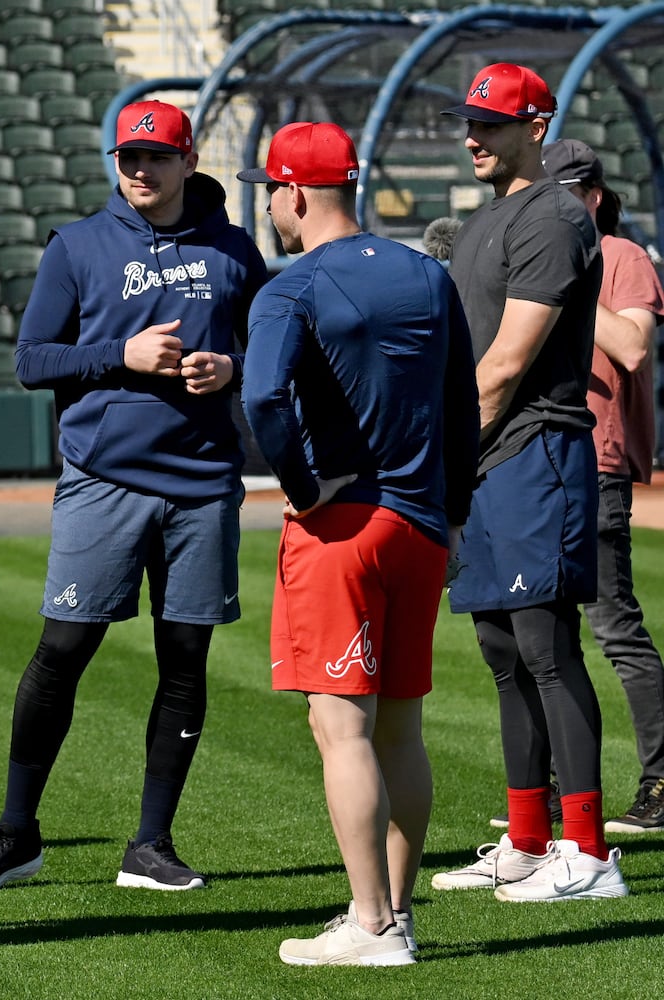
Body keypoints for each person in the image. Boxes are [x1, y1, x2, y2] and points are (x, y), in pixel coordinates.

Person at [0, 99, 269, 893]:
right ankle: (16, 833)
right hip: (105, 478)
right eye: (129, 157)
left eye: (157, 157)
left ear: (191, 162)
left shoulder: (233, 251)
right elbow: (32, 360)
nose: (141, 170)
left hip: (202, 486)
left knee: (184, 659)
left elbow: (268, 352)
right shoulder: (79, 246)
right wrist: (119, 356)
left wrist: (230, 367)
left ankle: (151, 845)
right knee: (63, 650)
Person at [238, 122, 479, 965]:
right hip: (422, 526)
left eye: (271, 189)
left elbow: (263, 403)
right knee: (401, 732)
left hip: (341, 528)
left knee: (342, 730)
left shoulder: (291, 287)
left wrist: (306, 493)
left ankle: (371, 924)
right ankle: (397, 915)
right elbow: (463, 406)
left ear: (294, 194)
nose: (271, 204)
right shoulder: (426, 273)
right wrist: (453, 513)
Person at [431, 63, 628, 900]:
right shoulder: (487, 220)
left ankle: (587, 853)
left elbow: (504, 366)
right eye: (469, 122)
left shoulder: (551, 216)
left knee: (548, 651)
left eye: (494, 123)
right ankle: (526, 838)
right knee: (503, 652)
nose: (475, 135)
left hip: (534, 450)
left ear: (536, 125)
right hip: (488, 460)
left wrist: (437, 464)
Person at [542, 138, 664, 833]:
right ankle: (554, 792)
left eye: (566, 195)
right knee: (542, 637)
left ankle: (661, 781)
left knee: (615, 629)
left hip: (598, 460)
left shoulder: (619, 256)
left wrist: (564, 281)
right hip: (535, 460)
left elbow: (633, 346)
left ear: (592, 195)